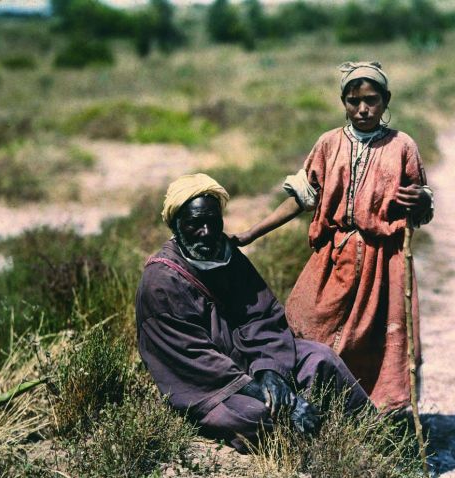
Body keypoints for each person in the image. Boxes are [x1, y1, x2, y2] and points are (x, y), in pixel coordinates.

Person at [232, 62, 434, 411]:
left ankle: (367, 416)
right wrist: (251, 233)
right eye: (354, 101)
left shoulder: (403, 146)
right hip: (333, 255)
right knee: (306, 322)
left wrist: (421, 200)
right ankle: (304, 404)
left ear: (386, 101)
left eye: (372, 100)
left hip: (382, 262)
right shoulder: (328, 144)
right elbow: (302, 197)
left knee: (372, 341)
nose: (363, 109)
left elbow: (420, 208)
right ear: (343, 101)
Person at [135, 173, 370, 453]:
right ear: (176, 225)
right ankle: (315, 449)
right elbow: (193, 359)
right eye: (195, 224)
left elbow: (262, 317)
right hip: (211, 385)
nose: (207, 232)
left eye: (213, 221)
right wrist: (273, 394)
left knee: (321, 358)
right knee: (261, 415)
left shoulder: (227, 254)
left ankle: (377, 440)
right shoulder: (161, 281)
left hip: (252, 361)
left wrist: (270, 371)